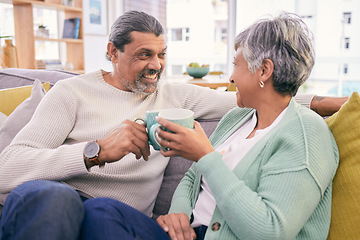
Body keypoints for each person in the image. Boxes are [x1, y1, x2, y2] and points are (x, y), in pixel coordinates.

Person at [0, 10, 341, 240]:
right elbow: (7, 169)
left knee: (101, 213)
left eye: (161, 54)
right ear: (112, 52)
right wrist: (95, 151)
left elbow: (269, 101)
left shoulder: (176, 96)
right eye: (144, 55)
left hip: (117, 218)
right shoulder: (70, 92)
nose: (156, 66)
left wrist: (337, 103)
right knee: (55, 201)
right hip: (56, 195)